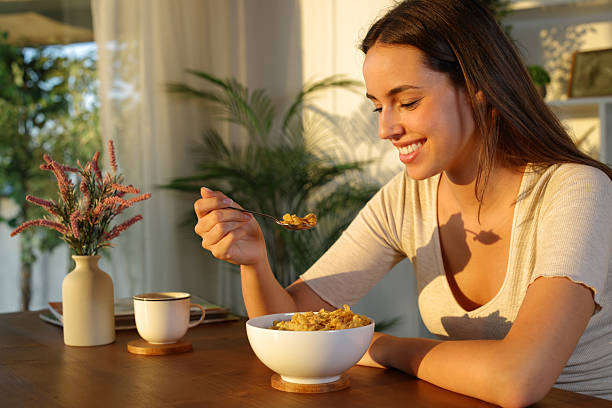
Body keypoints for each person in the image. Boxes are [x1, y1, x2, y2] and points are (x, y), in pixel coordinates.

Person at [193, 0, 612, 406]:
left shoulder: (576, 190)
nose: (386, 128)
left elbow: (519, 378)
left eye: (407, 102)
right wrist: (254, 262)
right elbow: (294, 327)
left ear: (479, 90)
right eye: (378, 106)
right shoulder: (407, 198)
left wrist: (384, 348)